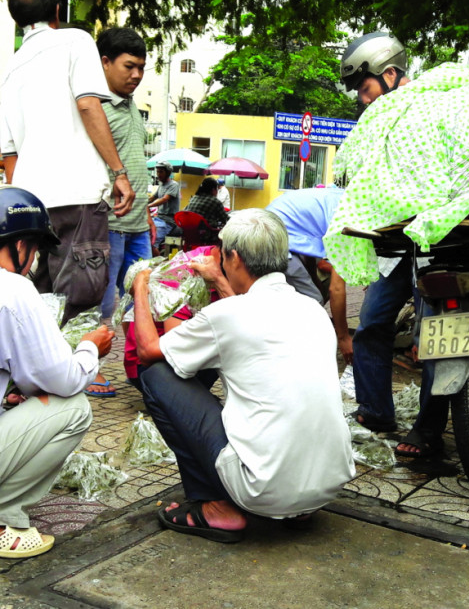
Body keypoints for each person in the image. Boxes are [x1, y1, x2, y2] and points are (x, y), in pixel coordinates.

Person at [132, 209, 355, 542]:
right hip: (328, 483)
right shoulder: (312, 308)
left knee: (157, 375)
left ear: (233, 258)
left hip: (260, 489)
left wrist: (141, 287)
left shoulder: (228, 314)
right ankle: (301, 504)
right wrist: (220, 283)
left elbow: (149, 350)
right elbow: (250, 322)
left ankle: (215, 507)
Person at [0, 0, 134, 324]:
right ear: (58, 10)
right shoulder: (76, 41)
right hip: (78, 195)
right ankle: (72, 372)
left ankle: (41, 371)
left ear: (17, 19)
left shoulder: (10, 70)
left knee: (40, 296)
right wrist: (118, 173)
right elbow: (89, 105)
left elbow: (9, 154)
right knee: (80, 296)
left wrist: (23, 205)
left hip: (32, 202)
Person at [339, 32, 446, 453]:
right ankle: (375, 411)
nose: (363, 100)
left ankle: (429, 431)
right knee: (371, 325)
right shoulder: (378, 120)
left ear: (389, 74)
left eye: (365, 89)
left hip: (438, 238)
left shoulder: (430, 105)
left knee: (435, 334)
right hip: (394, 245)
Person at [0, 186, 114, 559]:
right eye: (35, 250)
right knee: (73, 408)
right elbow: (61, 380)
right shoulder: (13, 289)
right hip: (73, 370)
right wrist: (89, 349)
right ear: (21, 246)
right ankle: (5, 519)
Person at [87, 27, 155, 398]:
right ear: (105, 62)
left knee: (145, 299)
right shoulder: (94, 107)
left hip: (137, 227)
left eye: (141, 68)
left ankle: (141, 367)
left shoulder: (130, 106)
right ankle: (89, 370)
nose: (136, 75)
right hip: (107, 223)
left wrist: (145, 216)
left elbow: (134, 163)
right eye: (129, 66)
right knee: (104, 302)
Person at [266, 186, 353, 364]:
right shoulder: (350, 217)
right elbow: (337, 289)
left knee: (311, 294)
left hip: (274, 232)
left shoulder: (340, 199)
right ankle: (300, 353)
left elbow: (308, 249)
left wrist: (314, 279)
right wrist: (343, 338)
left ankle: (284, 343)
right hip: (272, 239)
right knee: (313, 301)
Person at [149, 162, 180, 248]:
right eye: (157, 172)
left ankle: (156, 260)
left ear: (168, 173)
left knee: (152, 244)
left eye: (161, 172)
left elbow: (164, 199)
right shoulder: (161, 185)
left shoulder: (174, 185)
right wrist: (141, 202)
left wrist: (148, 206)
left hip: (168, 221)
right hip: (158, 218)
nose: (158, 174)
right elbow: (153, 197)